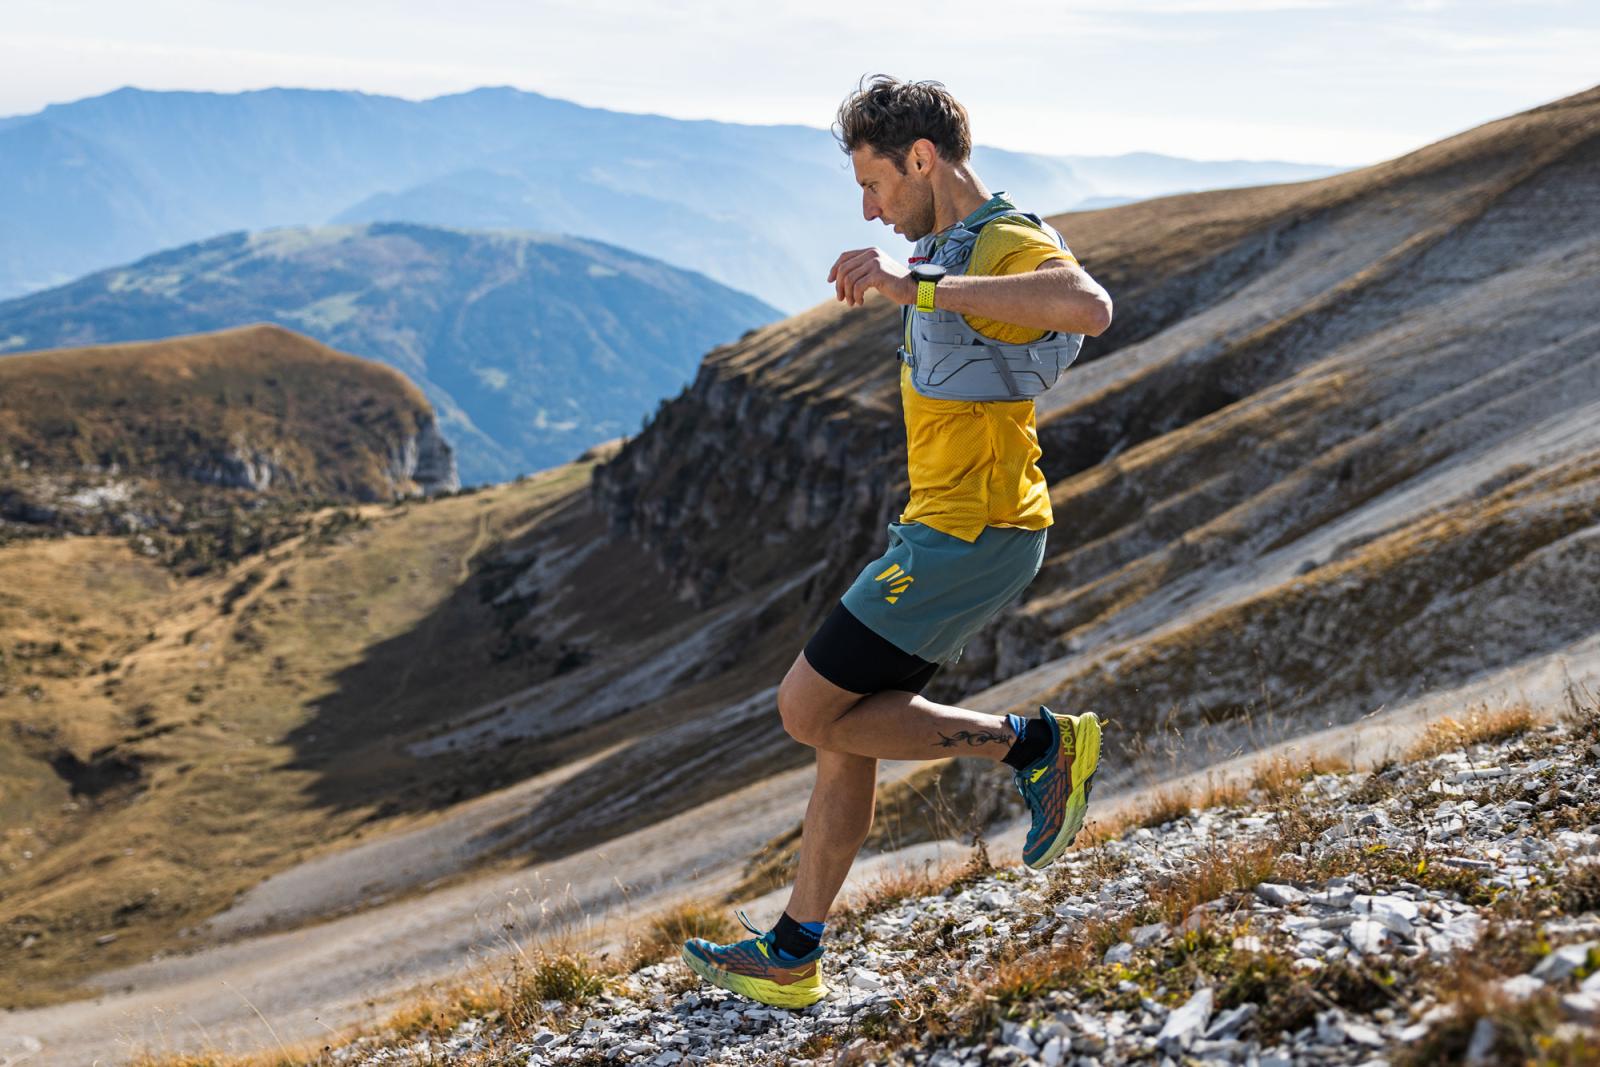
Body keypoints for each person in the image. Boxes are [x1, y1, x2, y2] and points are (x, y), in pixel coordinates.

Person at [682, 75, 1115, 1009]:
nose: (870, 209)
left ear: (923, 159)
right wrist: (917, 274)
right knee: (845, 734)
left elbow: (1088, 306)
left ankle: (1036, 745)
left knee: (805, 708)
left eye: (875, 184)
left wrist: (915, 282)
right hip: (941, 528)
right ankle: (796, 948)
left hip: (974, 534)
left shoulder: (998, 239)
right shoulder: (950, 247)